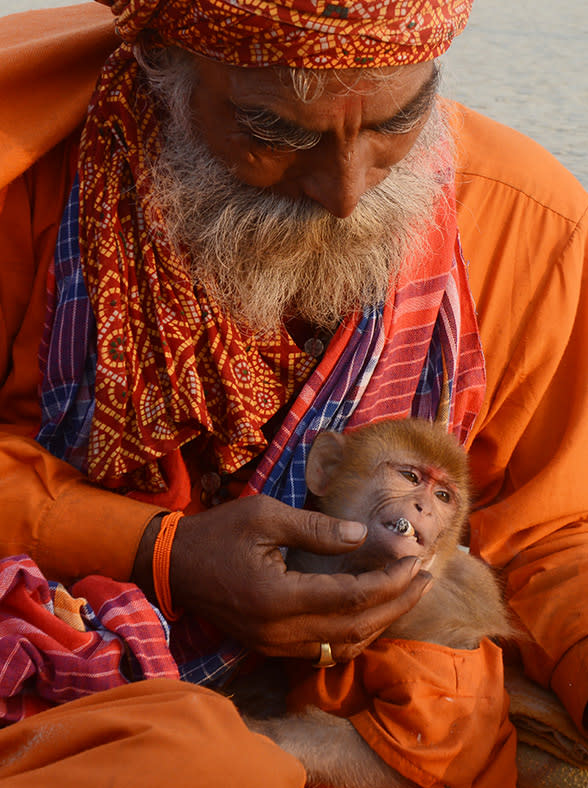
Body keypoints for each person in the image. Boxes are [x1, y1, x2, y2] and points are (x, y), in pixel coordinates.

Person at [0, 0, 586, 785]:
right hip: (71, 642)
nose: (346, 190)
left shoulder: (527, 222)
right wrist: (156, 550)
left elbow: (558, 533)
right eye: (276, 133)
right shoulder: (31, 187)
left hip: (388, 701)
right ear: (163, 68)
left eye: (399, 120)